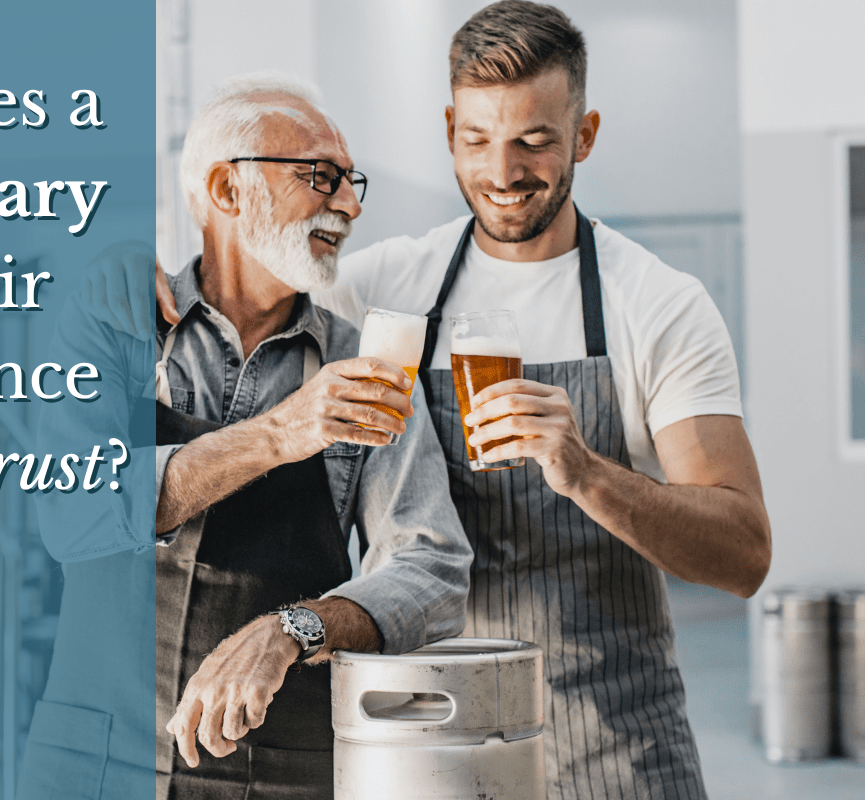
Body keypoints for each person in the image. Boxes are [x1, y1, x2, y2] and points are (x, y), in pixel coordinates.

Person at [142, 3, 772, 798]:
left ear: (584, 136)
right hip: (428, 739)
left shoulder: (657, 303)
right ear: (448, 133)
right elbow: (250, 280)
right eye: (477, 141)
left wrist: (586, 472)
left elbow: (745, 555)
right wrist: (133, 275)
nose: (503, 172)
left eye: (535, 142)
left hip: (613, 739)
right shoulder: (384, 291)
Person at [32, 73, 472, 800]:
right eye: (321, 176)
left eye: (352, 181)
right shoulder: (112, 325)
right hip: (93, 762)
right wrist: (280, 433)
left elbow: (432, 569)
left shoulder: (364, 366)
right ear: (228, 190)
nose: (352, 205)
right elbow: (68, 515)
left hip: (282, 775)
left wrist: (293, 628)